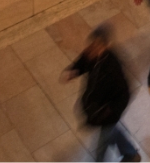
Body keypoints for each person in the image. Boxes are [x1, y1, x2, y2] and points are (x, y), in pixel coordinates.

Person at [60, 25, 141, 163]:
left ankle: (129, 155)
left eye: (97, 46)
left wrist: (110, 111)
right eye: (93, 45)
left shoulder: (113, 67)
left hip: (107, 113)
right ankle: (131, 153)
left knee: (101, 148)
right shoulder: (92, 54)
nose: (93, 49)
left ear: (106, 46)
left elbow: (124, 95)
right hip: (97, 107)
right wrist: (73, 71)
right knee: (113, 133)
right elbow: (83, 61)